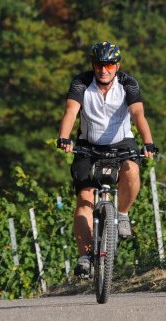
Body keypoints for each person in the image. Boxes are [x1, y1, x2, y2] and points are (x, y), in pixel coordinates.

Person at [57, 41, 157, 279]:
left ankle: (122, 214)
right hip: (87, 145)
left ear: (117, 66)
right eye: (99, 65)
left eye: (109, 65)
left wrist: (148, 142)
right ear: (93, 65)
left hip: (121, 142)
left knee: (132, 170)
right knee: (85, 198)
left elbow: (137, 113)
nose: (104, 70)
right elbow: (71, 111)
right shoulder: (81, 83)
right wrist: (64, 137)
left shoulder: (128, 83)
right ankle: (85, 257)